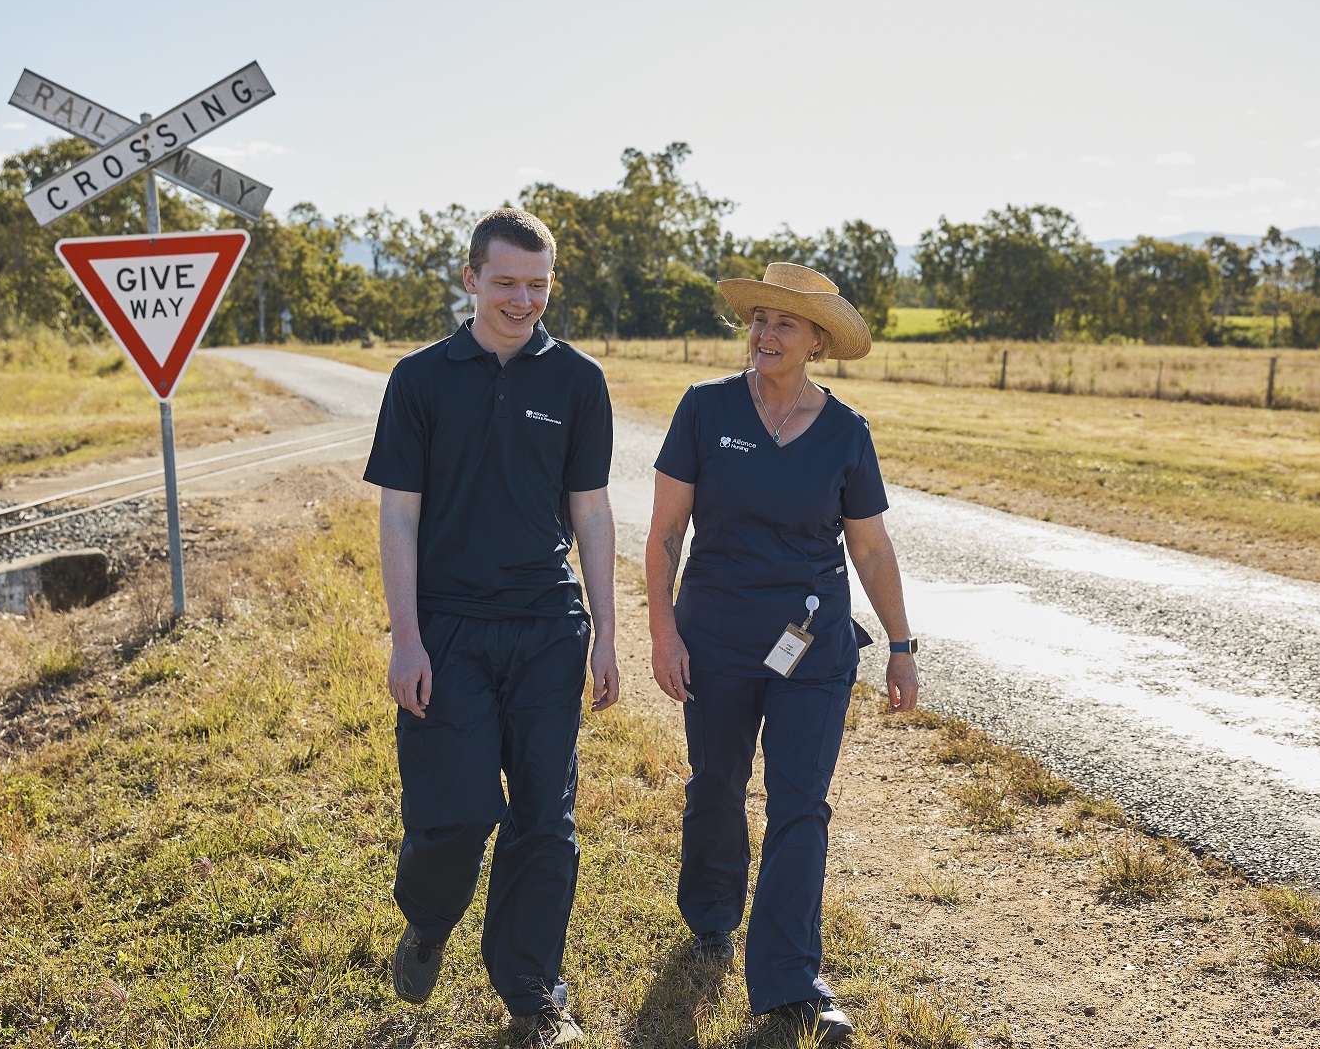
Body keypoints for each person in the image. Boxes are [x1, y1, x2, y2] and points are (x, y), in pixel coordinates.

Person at [645, 262, 919, 1043]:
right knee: (718, 785)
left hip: (814, 645)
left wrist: (901, 645)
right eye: (758, 318)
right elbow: (665, 533)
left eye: (784, 324)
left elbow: (870, 547)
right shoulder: (704, 409)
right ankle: (709, 914)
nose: (765, 334)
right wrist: (664, 632)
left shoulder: (846, 431)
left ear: (818, 341)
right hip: (718, 638)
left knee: (801, 803)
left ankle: (790, 978)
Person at [364, 207, 618, 1046]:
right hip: (449, 628)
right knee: (458, 811)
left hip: (548, 623)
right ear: (470, 278)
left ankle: (533, 988)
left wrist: (609, 632)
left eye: (538, 285)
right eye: (506, 282)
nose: (523, 300)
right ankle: (431, 917)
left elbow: (590, 511)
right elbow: (399, 516)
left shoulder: (577, 381)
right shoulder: (421, 379)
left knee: (546, 816)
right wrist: (407, 637)